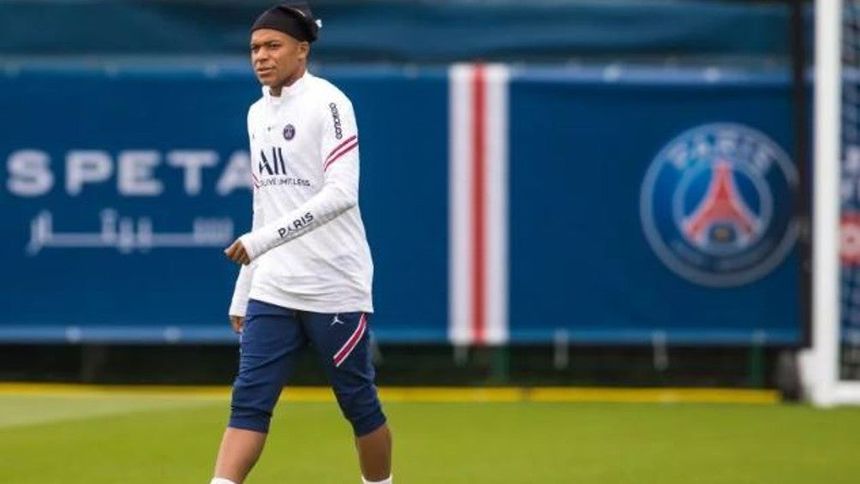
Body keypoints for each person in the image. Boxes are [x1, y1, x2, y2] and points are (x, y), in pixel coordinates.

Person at [210, 3, 392, 483]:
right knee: (248, 402)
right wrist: (244, 289)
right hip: (273, 286)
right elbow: (264, 204)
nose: (261, 56)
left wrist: (261, 241)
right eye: (255, 47)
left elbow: (341, 194)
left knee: (358, 403)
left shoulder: (330, 103)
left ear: (302, 50)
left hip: (334, 283)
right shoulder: (256, 113)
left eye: (273, 46)